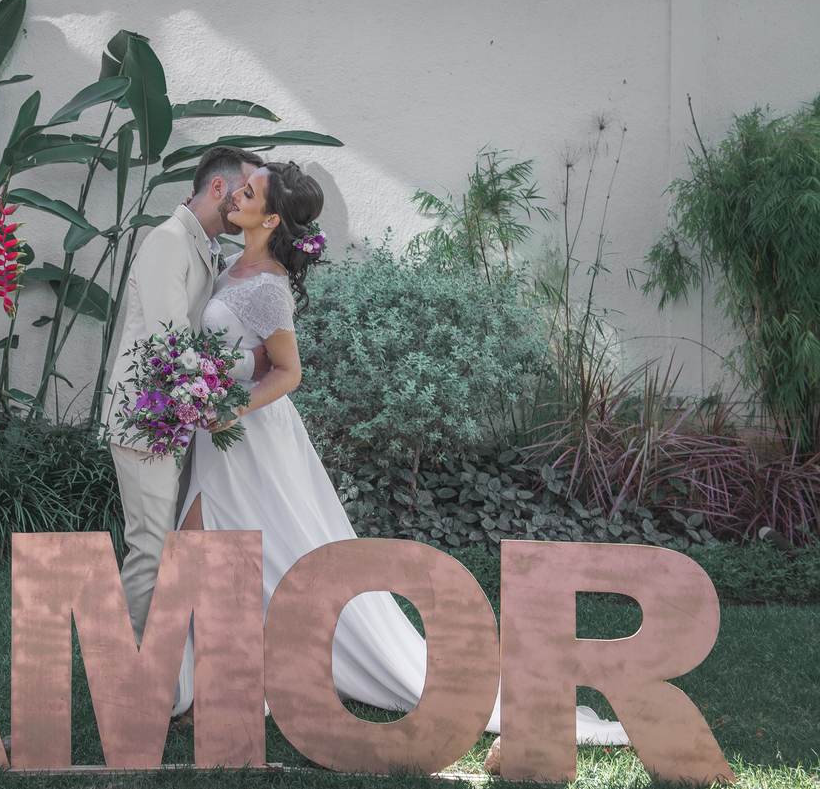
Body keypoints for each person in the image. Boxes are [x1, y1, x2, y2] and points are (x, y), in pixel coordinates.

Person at [170, 161, 629, 746]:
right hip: (222, 439)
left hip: (248, 437)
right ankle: (226, 679)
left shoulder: (266, 288)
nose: (235, 193)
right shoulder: (231, 263)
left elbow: (289, 373)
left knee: (226, 549)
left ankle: (231, 683)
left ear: (272, 216)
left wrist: (231, 405)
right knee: (219, 553)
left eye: (249, 190)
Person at [104, 146, 268, 646]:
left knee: (163, 545)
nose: (246, 200)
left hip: (173, 421)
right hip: (143, 422)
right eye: (243, 189)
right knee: (150, 549)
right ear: (217, 189)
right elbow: (170, 344)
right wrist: (253, 364)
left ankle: (153, 670)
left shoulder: (205, 247)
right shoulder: (170, 242)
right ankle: (125, 680)